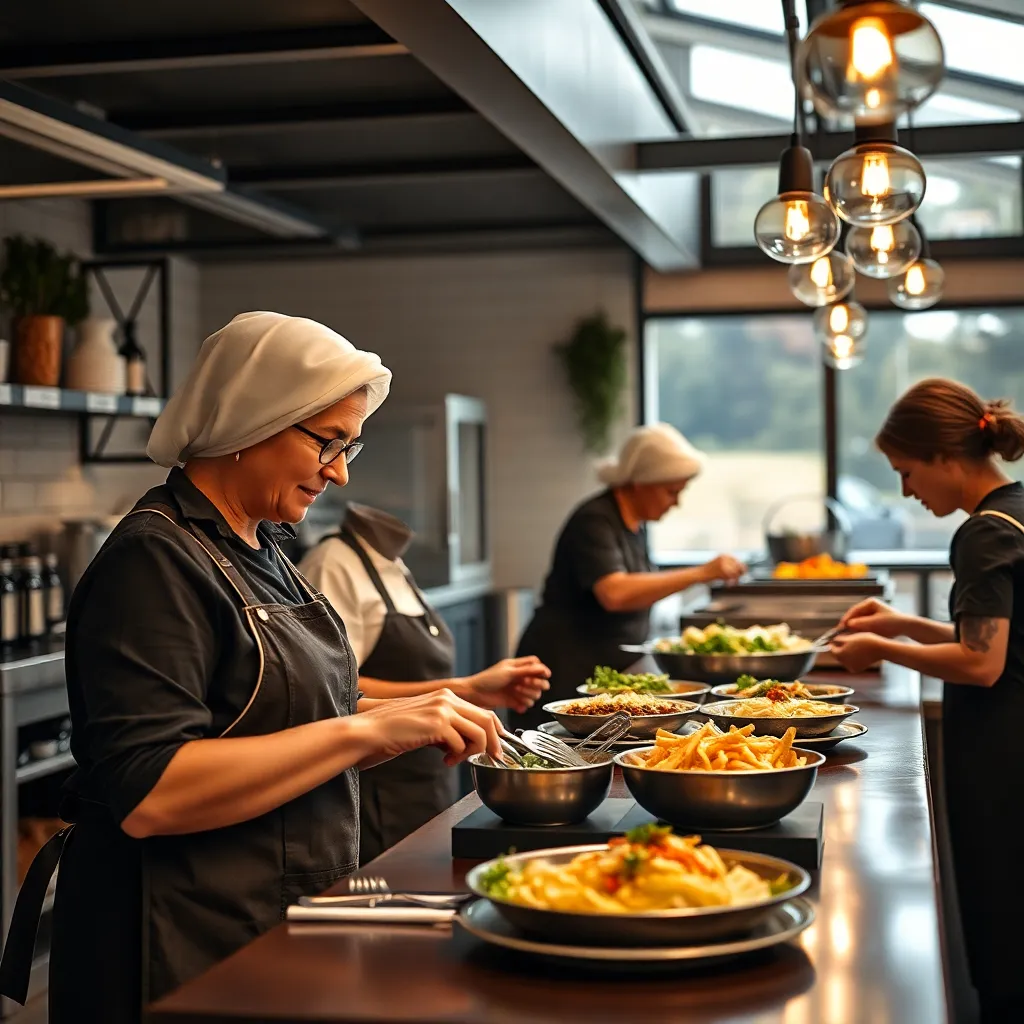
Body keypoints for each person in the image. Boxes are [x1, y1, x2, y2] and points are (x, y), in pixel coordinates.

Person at [0, 312, 505, 1023]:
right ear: (253, 420)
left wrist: (405, 717)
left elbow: (291, 710)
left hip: (265, 915)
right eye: (329, 441)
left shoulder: (264, 549)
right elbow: (154, 793)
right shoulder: (155, 559)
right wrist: (362, 736)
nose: (341, 471)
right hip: (175, 942)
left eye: (349, 444)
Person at [829, 378, 1024, 1022]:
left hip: (1002, 750)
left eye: (907, 472)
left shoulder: (983, 533)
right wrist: (903, 624)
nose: (906, 491)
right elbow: (997, 639)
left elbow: (982, 661)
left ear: (945, 458)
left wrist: (881, 652)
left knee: (1002, 916)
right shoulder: (1016, 508)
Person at [298, 502, 550, 863]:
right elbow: (338, 688)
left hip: (429, 777)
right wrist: (462, 689)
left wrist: (475, 691)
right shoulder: (330, 564)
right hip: (380, 788)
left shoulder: (393, 565)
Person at [513, 423, 746, 725]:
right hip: (565, 670)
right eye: (671, 491)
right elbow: (615, 593)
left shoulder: (635, 524)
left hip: (604, 672)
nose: (676, 502)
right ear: (640, 482)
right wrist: (701, 572)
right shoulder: (595, 520)